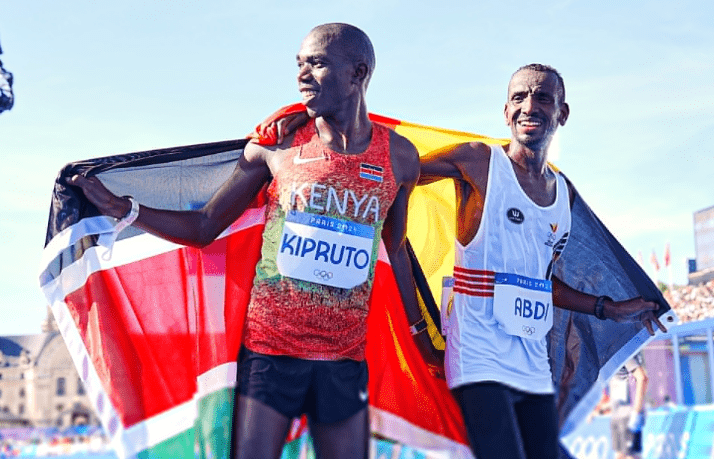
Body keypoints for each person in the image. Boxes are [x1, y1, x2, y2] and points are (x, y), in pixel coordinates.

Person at [69, 23, 439, 459]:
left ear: (358, 73)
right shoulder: (275, 146)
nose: (302, 75)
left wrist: (420, 334)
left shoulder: (399, 157)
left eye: (317, 64)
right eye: (299, 65)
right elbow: (205, 225)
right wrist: (125, 209)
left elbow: (396, 250)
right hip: (270, 352)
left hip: (345, 356)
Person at [416, 64, 666, 459]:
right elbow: (395, 170)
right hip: (478, 355)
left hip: (532, 364)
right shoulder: (480, 163)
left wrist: (609, 308)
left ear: (562, 113)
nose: (529, 106)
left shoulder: (563, 193)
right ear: (506, 111)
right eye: (519, 97)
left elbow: (541, 283)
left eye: (543, 97)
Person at [605, 357, 648, 459]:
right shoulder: (611, 358)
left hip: (627, 415)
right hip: (618, 416)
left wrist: (636, 412)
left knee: (631, 456)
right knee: (620, 456)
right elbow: (617, 392)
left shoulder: (624, 355)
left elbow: (642, 378)